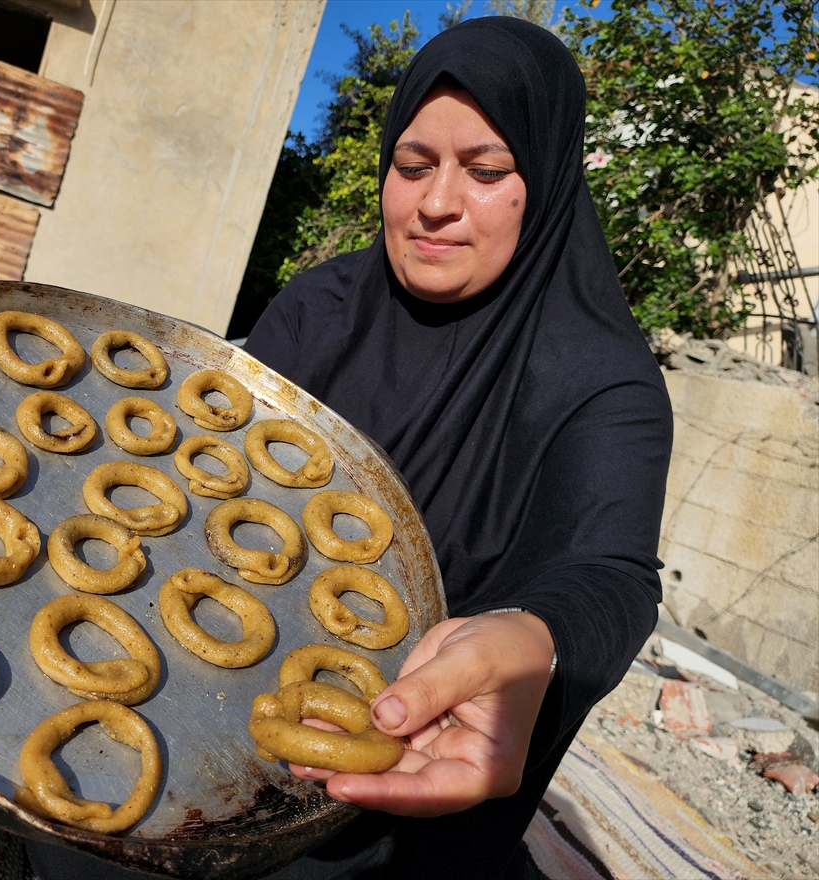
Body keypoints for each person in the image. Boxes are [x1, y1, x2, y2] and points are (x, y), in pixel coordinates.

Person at [238, 15, 673, 880]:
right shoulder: (318, 310)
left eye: (485, 171)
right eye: (412, 166)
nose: (435, 202)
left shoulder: (603, 386)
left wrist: (537, 636)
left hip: (411, 790)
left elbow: (612, 573)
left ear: (545, 181)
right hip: (217, 710)